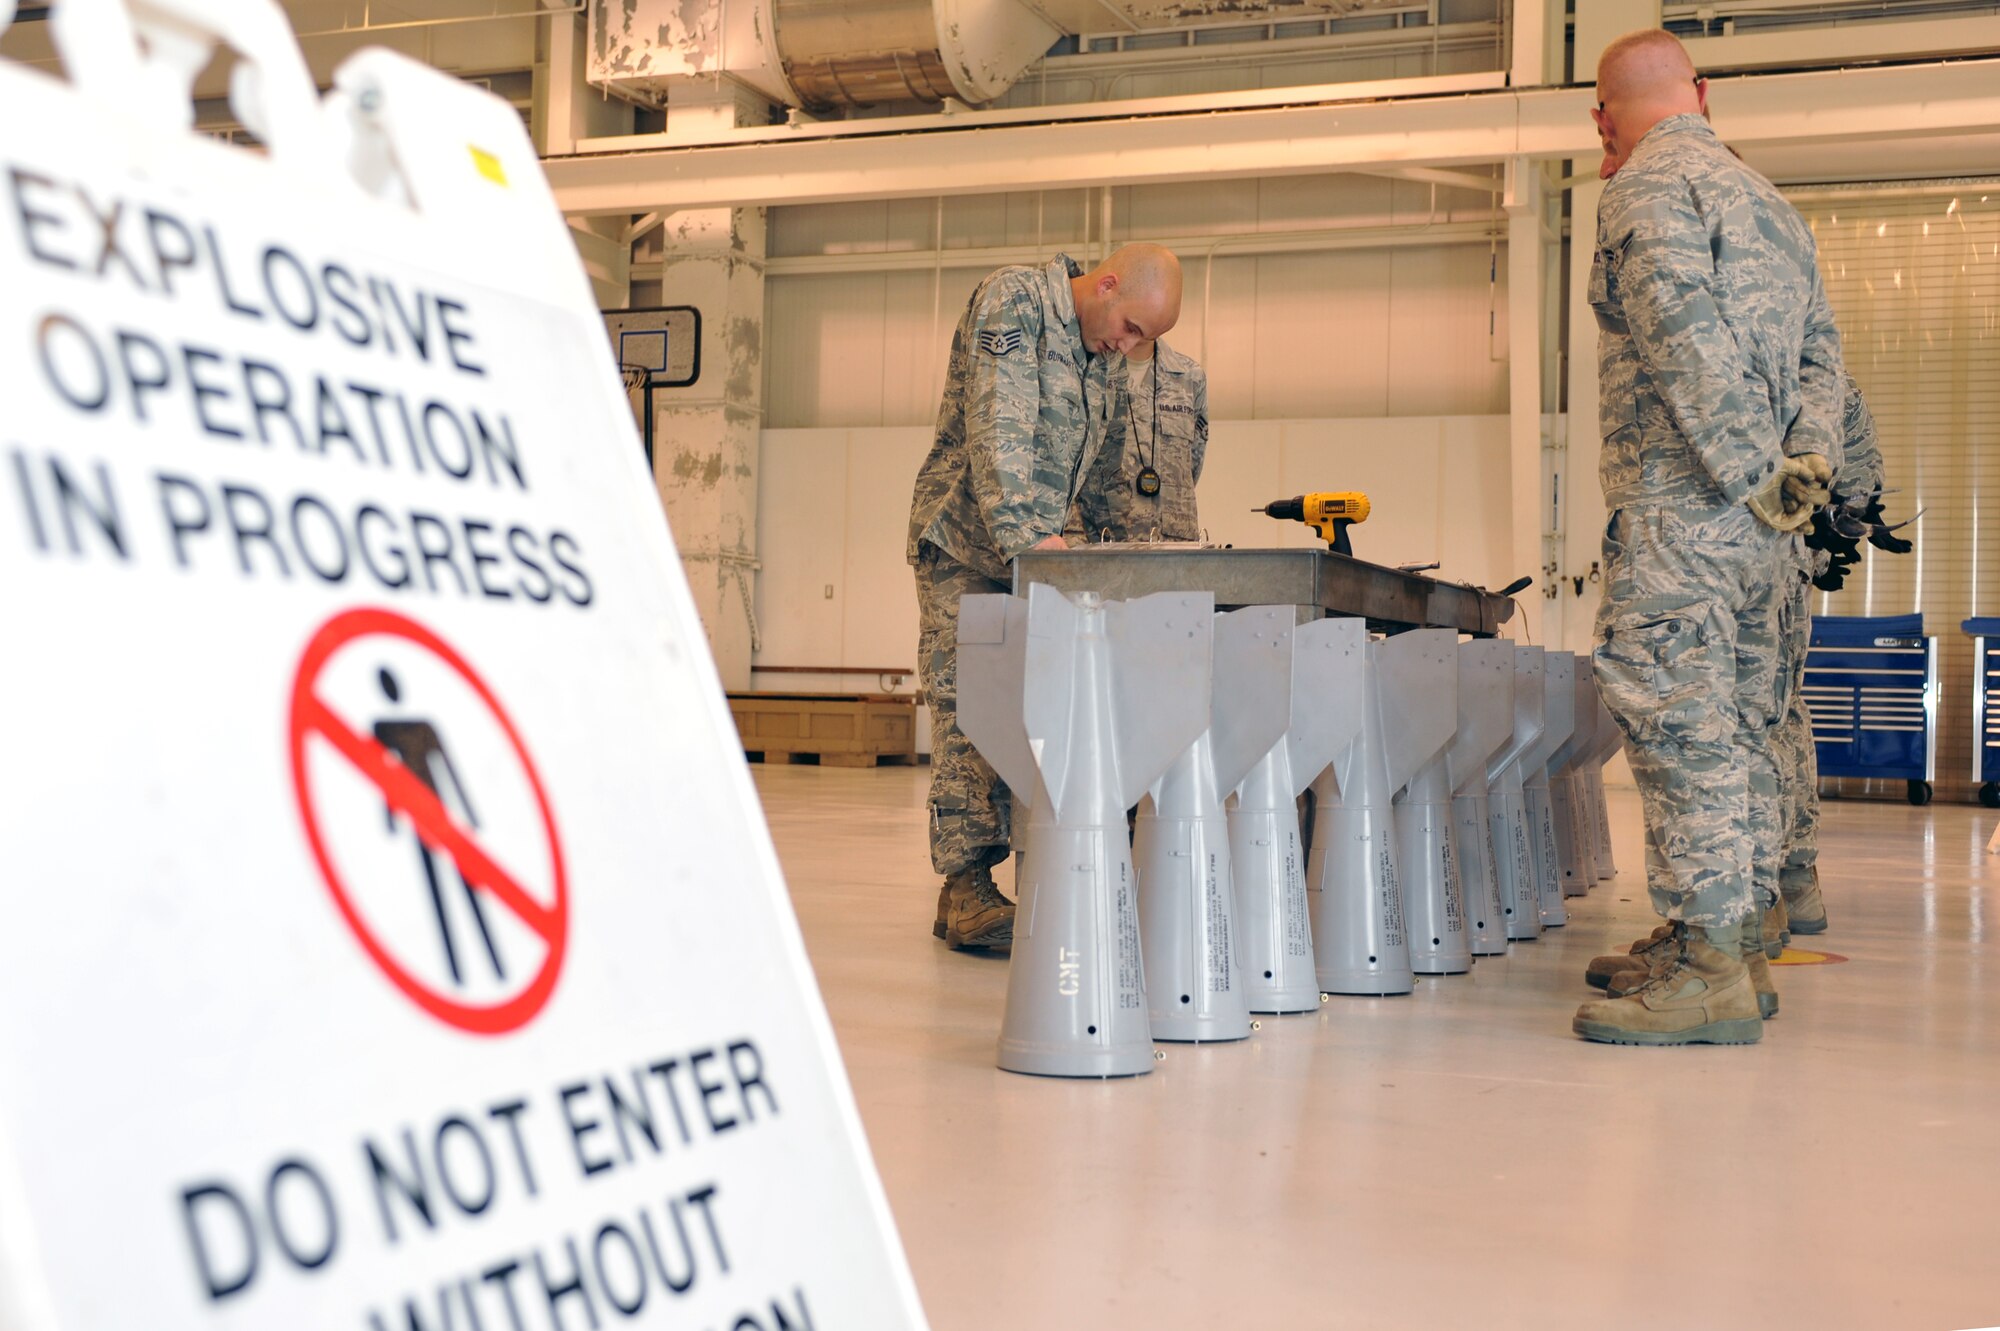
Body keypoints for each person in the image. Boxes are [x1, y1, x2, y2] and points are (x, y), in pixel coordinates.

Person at [1567, 28, 1845, 1046]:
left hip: (1686, 512)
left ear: (1602, 116)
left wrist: (1740, 476)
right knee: (1733, 724)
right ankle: (1722, 932)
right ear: (1703, 92)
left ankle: (1710, 968)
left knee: (1681, 728)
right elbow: (1822, 358)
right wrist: (1794, 479)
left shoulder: (1642, 187)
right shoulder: (1770, 203)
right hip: (1760, 534)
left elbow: (1679, 339)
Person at [908, 244, 1184, 949]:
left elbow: (1102, 472)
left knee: (1031, 709)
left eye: (1141, 341)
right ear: (1108, 282)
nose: (1127, 345)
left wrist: (1121, 556)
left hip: (1038, 552)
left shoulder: (1104, 356)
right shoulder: (1017, 302)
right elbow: (998, 430)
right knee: (967, 706)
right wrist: (1031, 539)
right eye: (1129, 327)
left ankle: (1005, 880)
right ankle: (966, 886)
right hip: (969, 544)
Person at [1064, 337, 1209, 544]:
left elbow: (1192, 464)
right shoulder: (1082, 367)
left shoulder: (1190, 377)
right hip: (1095, 541)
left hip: (1170, 545)